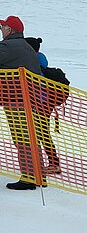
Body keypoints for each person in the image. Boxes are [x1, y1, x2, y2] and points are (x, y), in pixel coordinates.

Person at [0, 15, 45, 190]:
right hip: (30, 100)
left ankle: (29, 178)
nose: (1, 29)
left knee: (22, 138)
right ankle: (39, 175)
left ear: (9, 30)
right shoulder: (26, 46)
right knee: (31, 136)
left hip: (16, 101)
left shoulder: (7, 47)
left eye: (3, 27)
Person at [25, 36, 61, 174]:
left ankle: (54, 163)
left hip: (42, 103)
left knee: (42, 133)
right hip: (43, 103)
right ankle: (47, 161)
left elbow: (38, 86)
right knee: (40, 132)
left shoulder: (36, 62)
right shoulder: (40, 59)